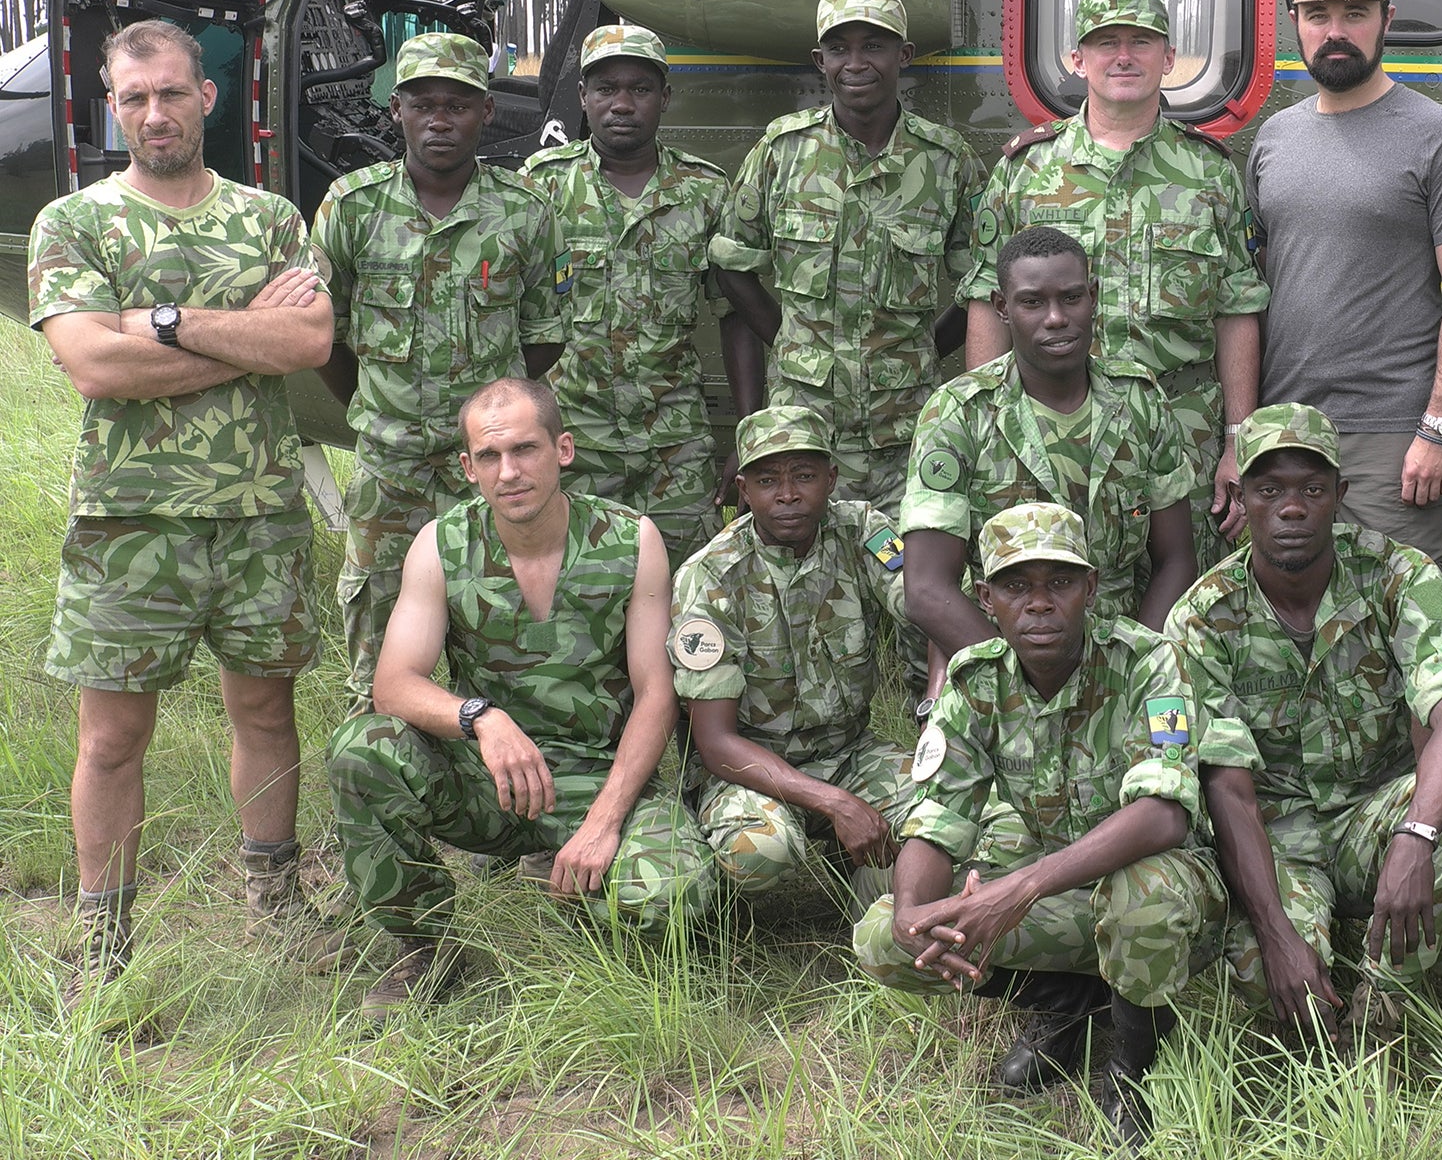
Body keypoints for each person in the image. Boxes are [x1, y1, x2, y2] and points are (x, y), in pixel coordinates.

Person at [27, 20, 335, 988]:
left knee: (266, 714)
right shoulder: (74, 225)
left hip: (258, 515)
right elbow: (92, 365)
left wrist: (157, 323)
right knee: (113, 738)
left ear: (209, 97)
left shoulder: (272, 220)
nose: (153, 113)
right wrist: (243, 334)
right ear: (111, 108)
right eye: (133, 98)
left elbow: (306, 349)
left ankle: (275, 910)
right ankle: (104, 946)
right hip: (129, 521)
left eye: (170, 92)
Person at [326, 377, 710, 1021]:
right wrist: (480, 717)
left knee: (678, 900)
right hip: (490, 778)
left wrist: (606, 821)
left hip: (595, 778)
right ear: (467, 467)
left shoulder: (629, 541)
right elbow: (393, 685)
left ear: (562, 449)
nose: (510, 472)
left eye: (526, 450)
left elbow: (656, 693)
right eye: (489, 457)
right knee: (362, 750)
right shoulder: (442, 545)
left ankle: (571, 890)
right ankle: (423, 948)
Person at [853, 503, 1225, 1145]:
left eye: (1058, 582)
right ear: (985, 598)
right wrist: (914, 912)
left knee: (1144, 900)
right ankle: (1073, 1009)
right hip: (1063, 892)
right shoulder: (974, 682)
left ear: (1090, 588)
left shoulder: (1150, 664)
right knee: (883, 939)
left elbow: (1164, 815)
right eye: (1016, 586)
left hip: (1171, 892)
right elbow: (938, 817)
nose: (1039, 604)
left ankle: (1134, 1071)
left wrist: (1016, 890)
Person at [1173, 402, 1442, 1040]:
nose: (1291, 508)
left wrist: (1417, 838)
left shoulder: (1402, 575)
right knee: (1268, 990)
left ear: (1340, 495)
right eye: (1269, 491)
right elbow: (1227, 789)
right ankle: (1310, 957)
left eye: (1312, 490)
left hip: (1375, 815)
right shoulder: (1201, 618)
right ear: (1240, 497)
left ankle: (1387, 1004)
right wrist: (1274, 933)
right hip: (1276, 837)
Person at [961, 0, 1268, 568]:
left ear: (1169, 59)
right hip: (1050, 428)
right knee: (1050, 598)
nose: (1123, 56)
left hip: (1184, 435)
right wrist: (985, 426)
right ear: (1077, 60)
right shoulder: (1025, 172)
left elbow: (1237, 309)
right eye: (1105, 44)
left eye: (1141, 42)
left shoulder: (1209, 173)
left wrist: (1239, 441)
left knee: (1183, 605)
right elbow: (987, 302)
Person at [312, 32, 568, 704]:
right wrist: (373, 409)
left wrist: (491, 421)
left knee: (500, 623)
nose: (440, 118)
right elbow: (322, 333)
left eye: (458, 104)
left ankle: (500, 778)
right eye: (423, 103)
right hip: (389, 468)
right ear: (395, 109)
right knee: (376, 629)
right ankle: (379, 775)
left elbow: (543, 338)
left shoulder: (525, 211)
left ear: (487, 113)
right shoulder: (352, 206)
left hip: (489, 469)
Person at [1247, 0, 1442, 565]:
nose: (1335, 32)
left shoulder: (1439, 136)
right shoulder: (1275, 137)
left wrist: (1437, 429)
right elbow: (1250, 289)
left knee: (1409, 627)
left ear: (1388, 18)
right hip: (1286, 433)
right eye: (1317, 14)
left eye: (1355, 12)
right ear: (1294, 22)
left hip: (1393, 440)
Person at [711, 0, 984, 513]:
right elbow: (732, 265)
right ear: (821, 61)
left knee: (904, 579)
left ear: (903, 56)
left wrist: (924, 349)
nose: (856, 63)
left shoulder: (947, 163)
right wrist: (791, 344)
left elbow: (982, 286)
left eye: (874, 46)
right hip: (802, 435)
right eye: (839, 49)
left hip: (904, 437)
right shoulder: (781, 152)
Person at [901, 225, 1196, 706]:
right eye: (1033, 302)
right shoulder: (960, 413)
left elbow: (1176, 559)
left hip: (1124, 660)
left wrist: (1137, 668)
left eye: (1072, 298)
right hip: (998, 664)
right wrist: (1021, 685)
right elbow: (927, 588)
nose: (1056, 318)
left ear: (1093, 296)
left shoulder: (1139, 400)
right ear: (1002, 307)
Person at [522, 22, 761, 562]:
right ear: (582, 98)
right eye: (605, 90)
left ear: (665, 98)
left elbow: (735, 314)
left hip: (675, 446)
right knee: (579, 592)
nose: (622, 104)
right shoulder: (541, 187)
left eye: (640, 89)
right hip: (571, 440)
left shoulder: (704, 191)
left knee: (682, 598)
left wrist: (748, 432)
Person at [668, 407, 916, 903]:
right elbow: (715, 743)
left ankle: (873, 892)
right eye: (767, 480)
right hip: (750, 766)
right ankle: (715, 896)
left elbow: (926, 604)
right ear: (743, 489)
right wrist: (835, 803)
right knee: (763, 852)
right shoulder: (711, 578)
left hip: (850, 751)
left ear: (831, 478)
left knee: (947, 810)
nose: (787, 495)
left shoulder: (862, 530)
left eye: (804, 476)